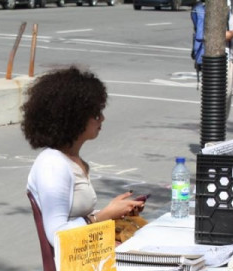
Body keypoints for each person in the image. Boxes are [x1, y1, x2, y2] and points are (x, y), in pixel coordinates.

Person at [22, 66, 145, 248]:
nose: (102, 118)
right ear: (74, 118)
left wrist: (115, 210)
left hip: (89, 251)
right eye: (96, 114)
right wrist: (104, 215)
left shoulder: (73, 161)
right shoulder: (53, 164)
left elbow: (76, 218)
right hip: (77, 260)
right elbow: (57, 236)